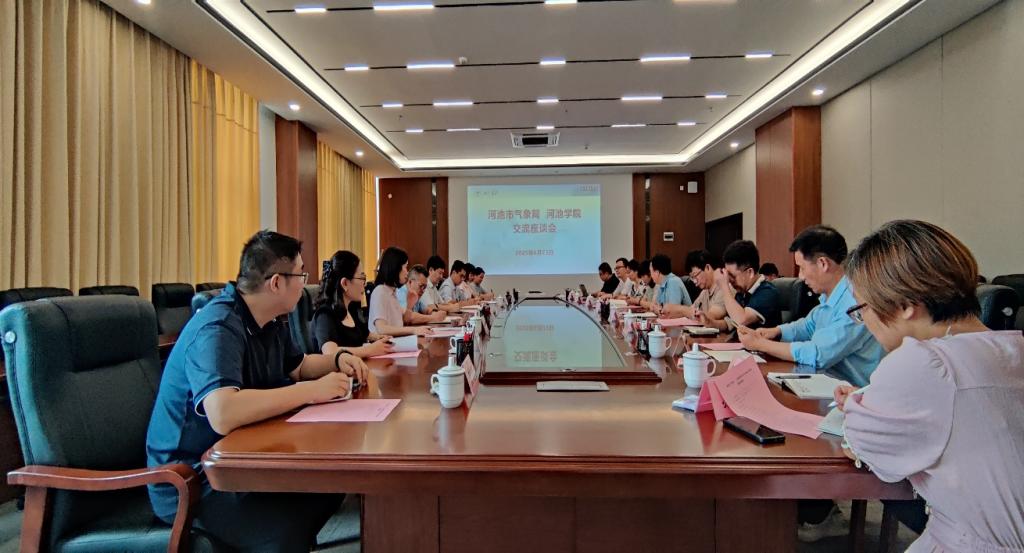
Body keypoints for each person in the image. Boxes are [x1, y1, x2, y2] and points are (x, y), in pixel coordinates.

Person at [146, 230, 368, 552]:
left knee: (327, 488)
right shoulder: (218, 326)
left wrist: (337, 360)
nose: (305, 283)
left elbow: (298, 366)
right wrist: (310, 391)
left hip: (244, 456)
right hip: (194, 479)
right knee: (290, 522)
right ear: (276, 283)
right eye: (301, 275)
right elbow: (224, 412)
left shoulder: (271, 320)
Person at [833, 220, 1024, 553]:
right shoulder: (1012, 345)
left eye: (861, 308)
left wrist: (855, 409)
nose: (863, 321)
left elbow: (866, 446)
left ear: (906, 304)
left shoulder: (925, 361)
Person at [738, 226, 884, 387]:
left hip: (851, 392)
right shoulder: (830, 297)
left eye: (802, 268)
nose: (800, 277)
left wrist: (760, 344)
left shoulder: (854, 301)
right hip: (828, 383)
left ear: (823, 263)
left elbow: (818, 354)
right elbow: (807, 326)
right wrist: (776, 331)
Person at [312, 250, 394, 358]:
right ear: (345, 283)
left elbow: (366, 335)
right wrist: (370, 350)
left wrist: (380, 339)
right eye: (362, 278)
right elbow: (330, 352)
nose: (364, 284)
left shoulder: (351, 309)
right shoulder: (325, 314)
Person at [695, 240, 780, 330]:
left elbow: (741, 320)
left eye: (732, 276)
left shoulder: (767, 292)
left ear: (750, 272)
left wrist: (724, 287)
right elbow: (731, 323)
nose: (729, 280)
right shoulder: (742, 292)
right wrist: (709, 322)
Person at [369, 247, 429, 336]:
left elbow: (404, 321)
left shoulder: (393, 292)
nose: (407, 273)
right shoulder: (380, 292)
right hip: (385, 343)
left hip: (396, 341)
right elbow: (382, 329)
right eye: (405, 267)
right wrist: (413, 330)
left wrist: (409, 306)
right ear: (395, 268)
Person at [659, 250, 727, 320]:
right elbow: (692, 310)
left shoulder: (724, 288)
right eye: (692, 278)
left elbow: (711, 317)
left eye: (695, 275)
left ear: (707, 268)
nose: (694, 281)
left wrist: (681, 309)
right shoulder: (705, 291)